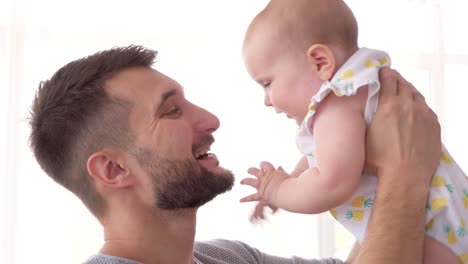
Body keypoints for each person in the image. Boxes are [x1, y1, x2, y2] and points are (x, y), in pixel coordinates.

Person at [28, 45, 441, 264]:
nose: (210, 119)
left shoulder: (228, 258)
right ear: (113, 169)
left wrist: (364, 147)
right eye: (171, 110)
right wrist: (405, 174)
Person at [239, 0, 467, 263]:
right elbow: (324, 156)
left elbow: (332, 184)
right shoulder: (357, 89)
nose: (267, 100)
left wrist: (279, 190)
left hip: (431, 232)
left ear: (320, 61)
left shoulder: (336, 104)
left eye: (267, 83)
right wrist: (292, 178)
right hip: (443, 222)